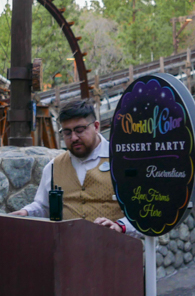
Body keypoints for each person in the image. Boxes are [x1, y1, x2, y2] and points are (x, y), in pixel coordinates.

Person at [13, 99, 129, 234]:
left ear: (96, 127)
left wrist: (120, 225)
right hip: (69, 250)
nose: (73, 138)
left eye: (79, 130)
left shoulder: (121, 161)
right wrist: (26, 212)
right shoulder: (53, 167)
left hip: (115, 249)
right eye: (67, 132)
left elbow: (141, 210)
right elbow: (43, 206)